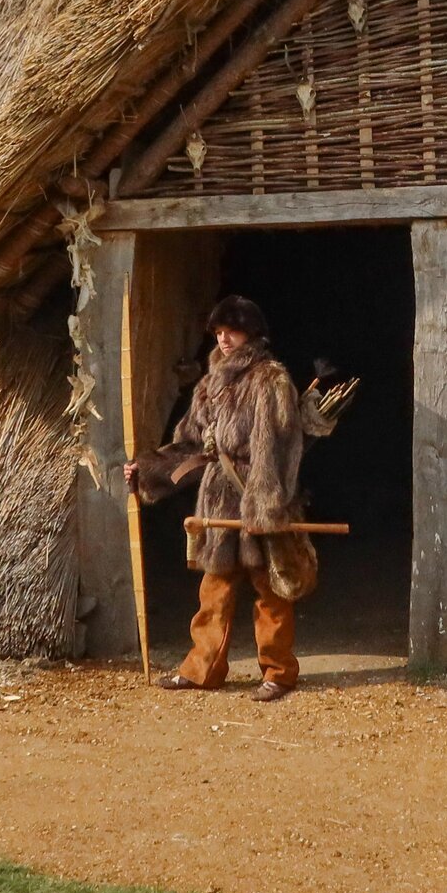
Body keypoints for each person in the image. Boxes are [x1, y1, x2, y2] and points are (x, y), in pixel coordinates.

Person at [123, 294, 310, 701]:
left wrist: (265, 506)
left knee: (272, 591)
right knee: (214, 591)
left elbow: (276, 447)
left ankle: (278, 673)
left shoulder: (270, 379)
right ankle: (202, 670)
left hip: (259, 498)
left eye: (232, 330)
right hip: (218, 503)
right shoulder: (209, 384)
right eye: (219, 332)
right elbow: (190, 443)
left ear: (252, 332)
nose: (224, 339)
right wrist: (147, 470)